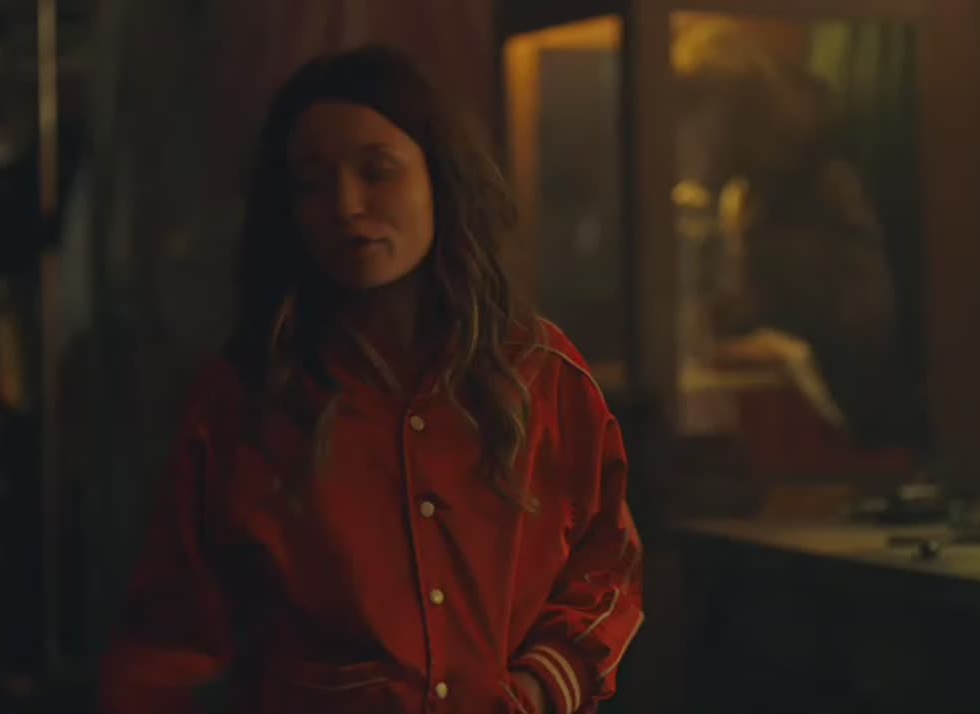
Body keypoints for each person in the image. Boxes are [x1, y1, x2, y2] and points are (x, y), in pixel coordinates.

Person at [98, 45, 643, 714]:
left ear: (438, 177)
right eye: (310, 183)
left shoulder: (541, 372)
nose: (346, 205)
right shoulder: (245, 398)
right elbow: (166, 638)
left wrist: (537, 688)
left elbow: (607, 563)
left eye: (377, 172)